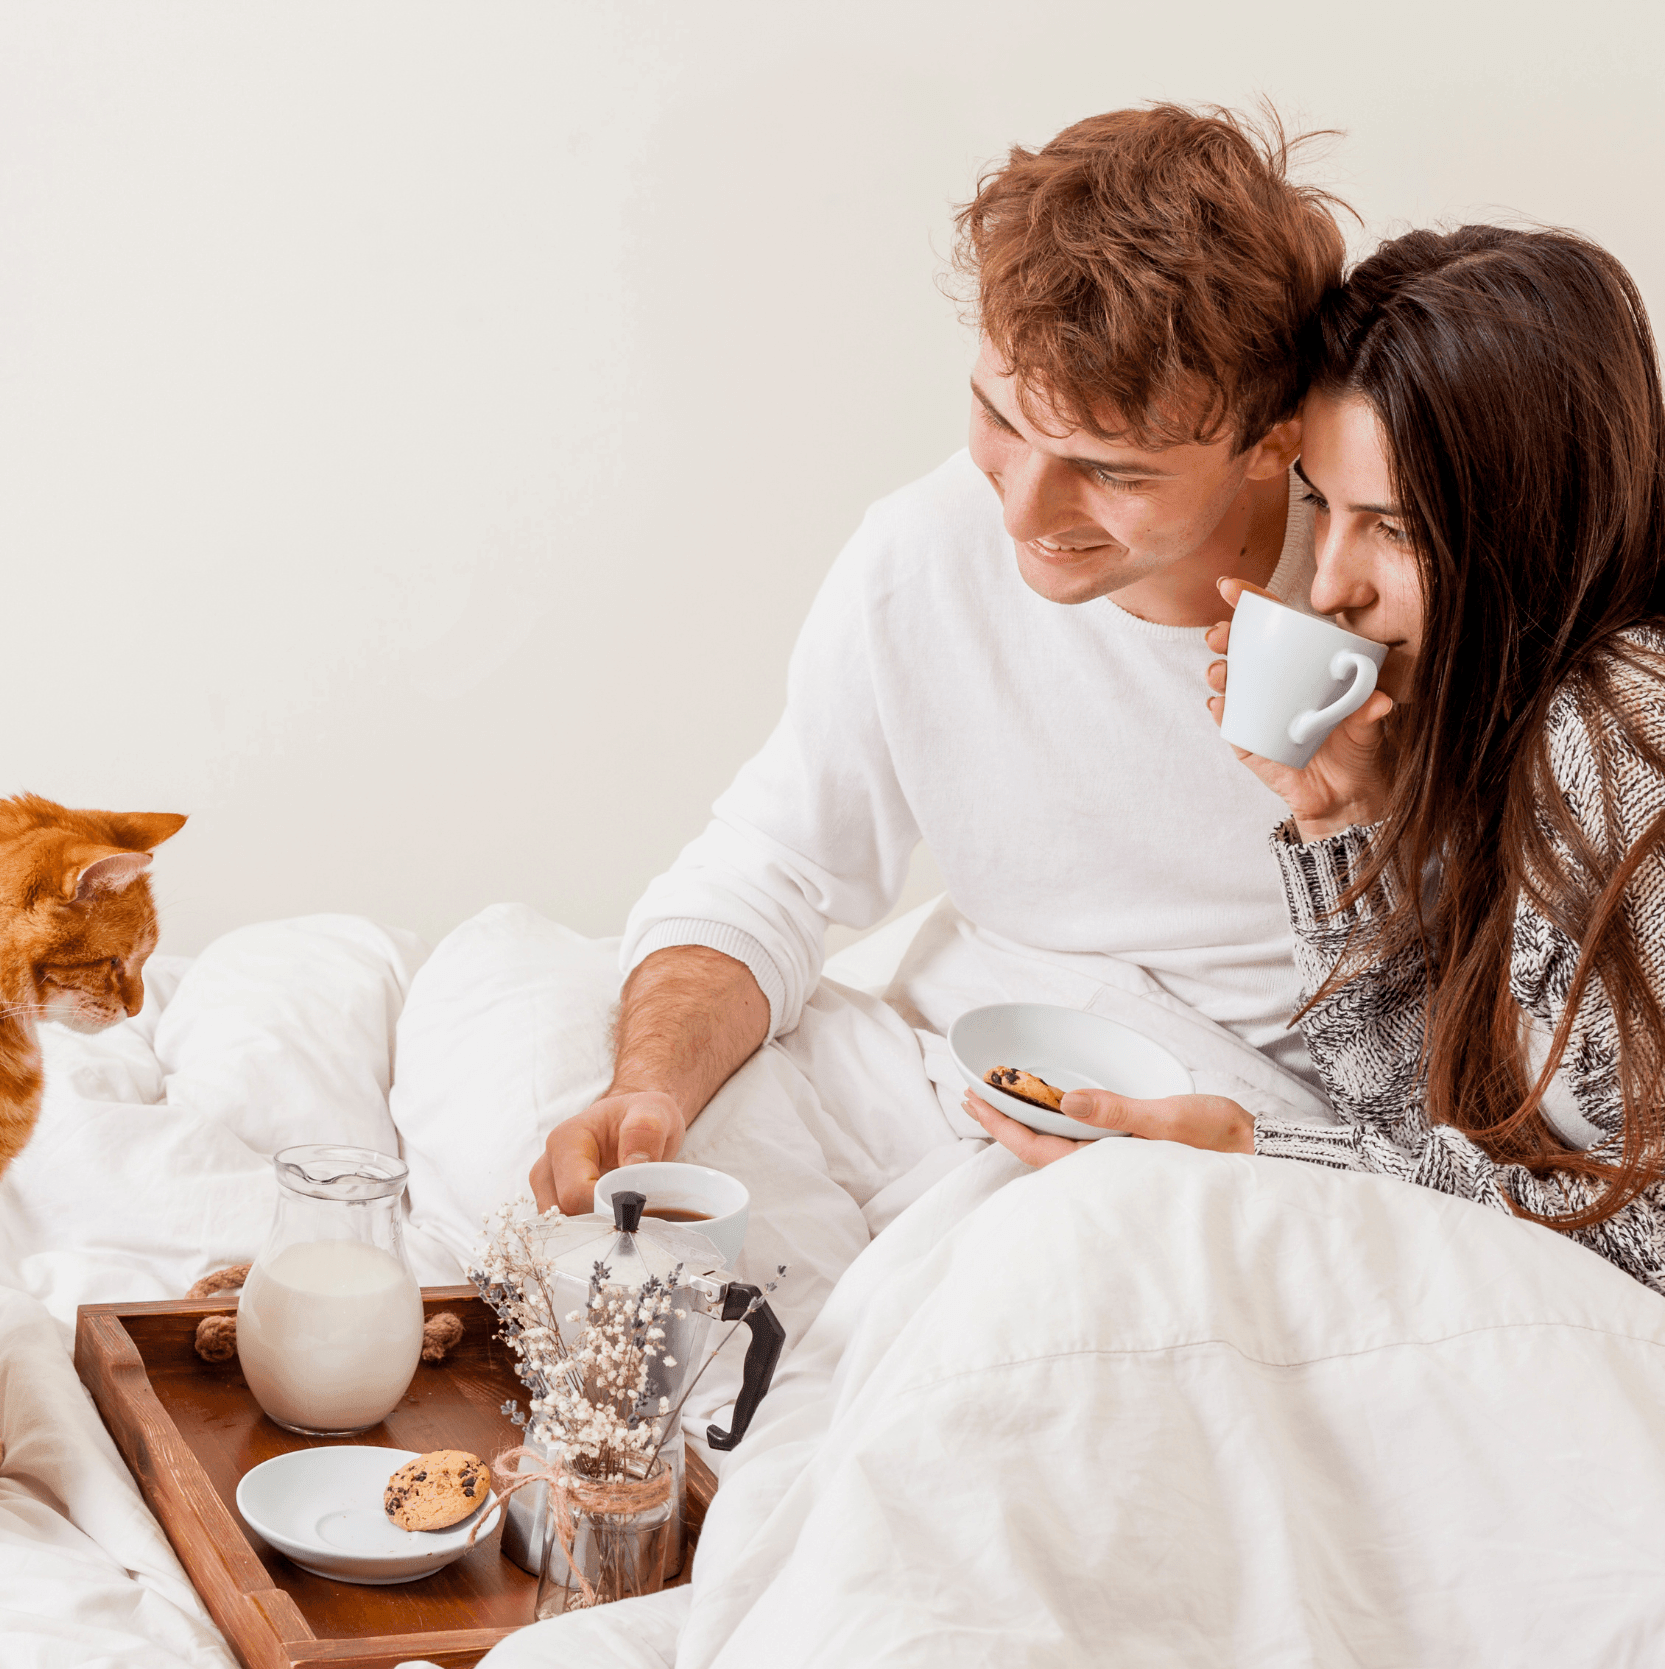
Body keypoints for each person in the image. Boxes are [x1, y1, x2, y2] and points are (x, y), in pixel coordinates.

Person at [527, 102, 1348, 1221]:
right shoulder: (920, 551)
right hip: (963, 1058)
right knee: (510, 1032)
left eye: (1113, 472)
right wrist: (648, 1088)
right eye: (998, 416)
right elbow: (773, 863)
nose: (1022, 507)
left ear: (1270, 442)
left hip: (1230, 1134)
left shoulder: (1377, 587)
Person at [970, 225, 1665, 1290]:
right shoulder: (1513, 736)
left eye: (1392, 528)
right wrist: (1345, 823)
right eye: (1321, 507)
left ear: (1526, 525)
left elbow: (1648, 1234)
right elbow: (1426, 1133)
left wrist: (1260, 1156)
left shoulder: (1621, 734)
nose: (1330, 581)